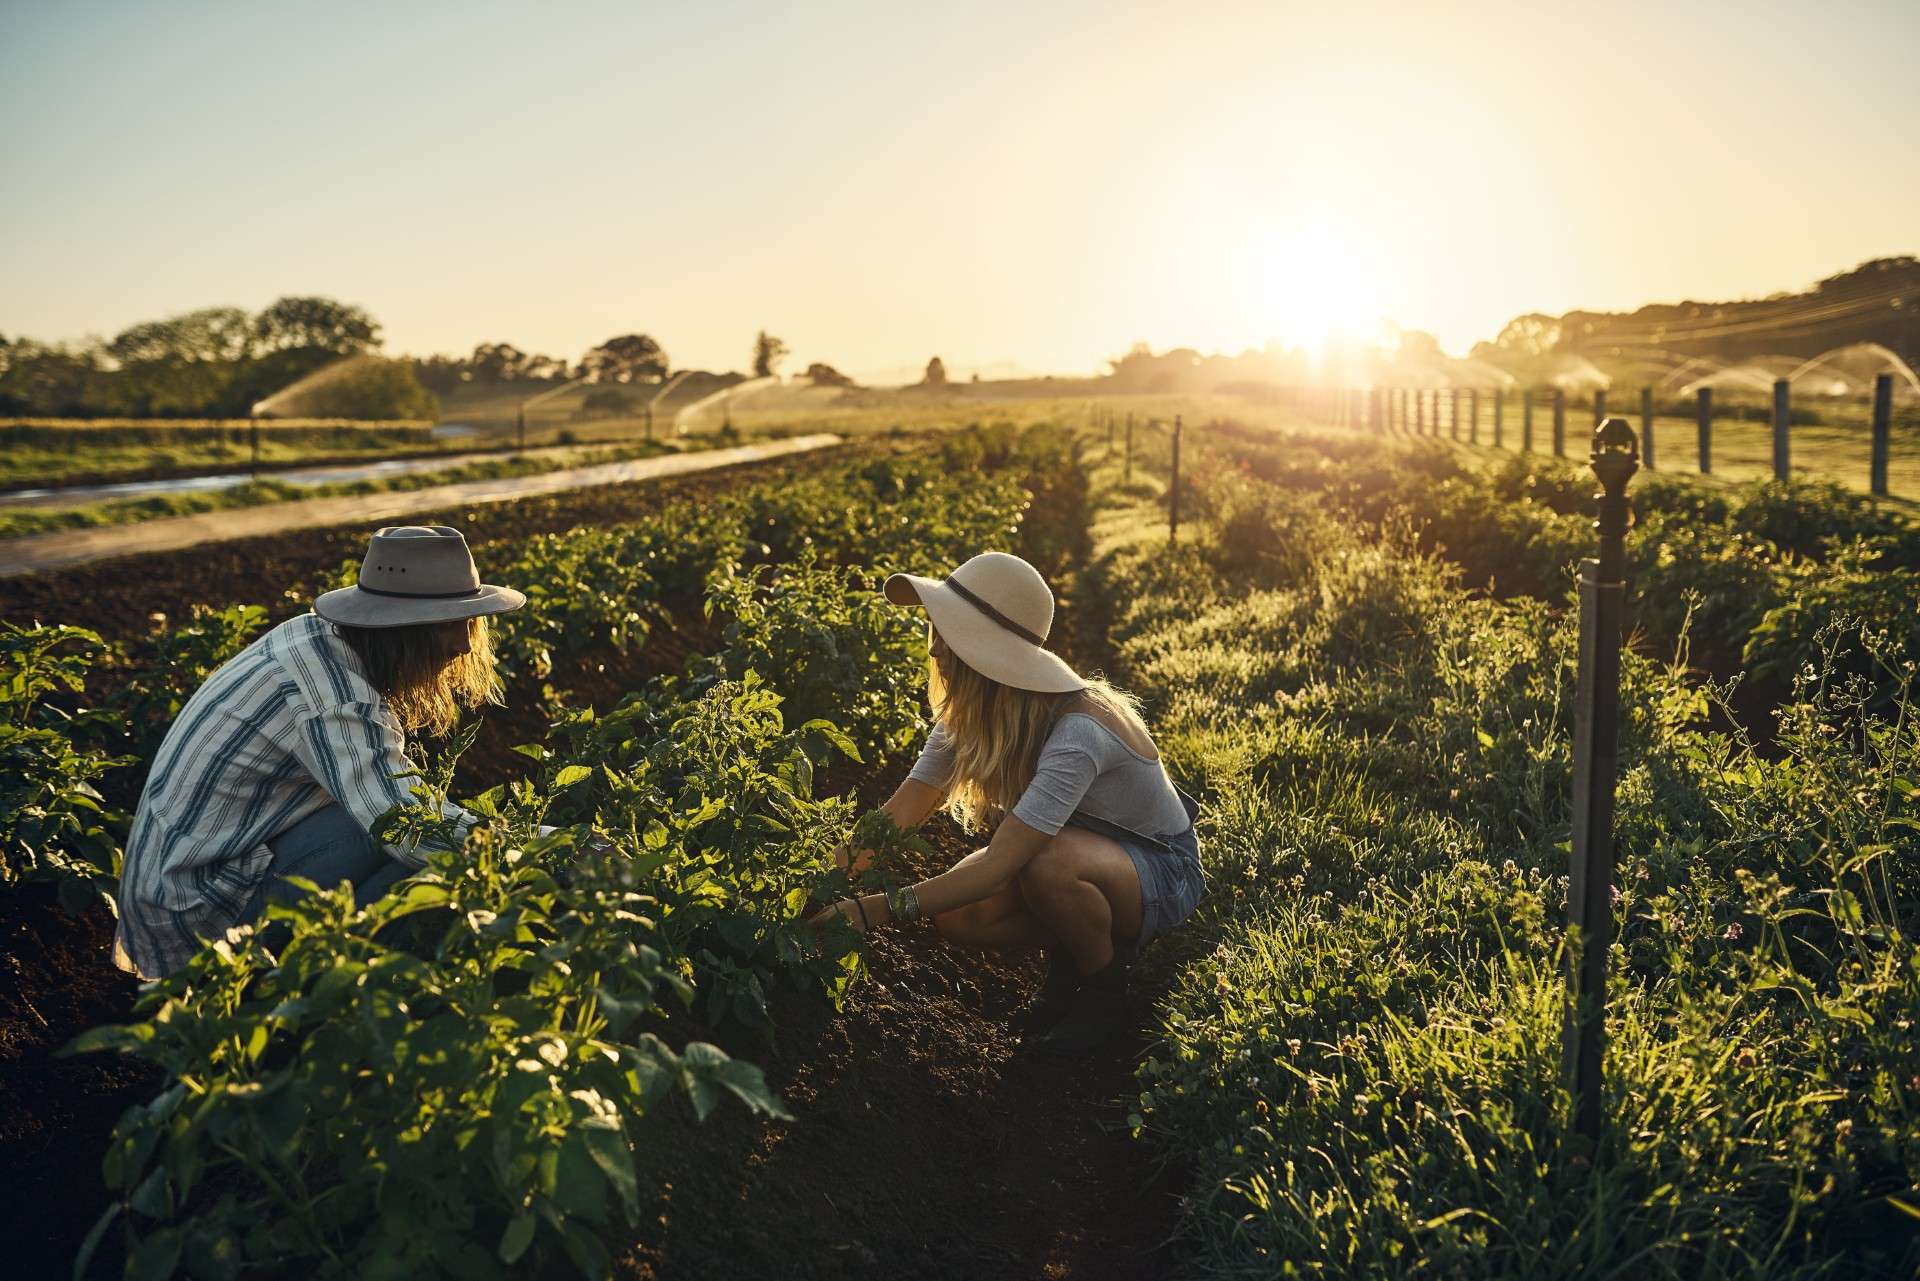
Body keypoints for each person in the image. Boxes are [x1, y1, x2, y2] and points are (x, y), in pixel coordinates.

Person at [808, 551, 1206, 1055]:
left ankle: (1105, 991)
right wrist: (820, 882)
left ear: (982, 650)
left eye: (944, 635)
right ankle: (1077, 947)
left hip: (1160, 870)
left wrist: (872, 912)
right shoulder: (969, 718)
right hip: (1080, 856)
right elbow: (903, 809)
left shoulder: (1078, 730)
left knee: (1044, 863)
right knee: (961, 914)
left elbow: (1001, 865)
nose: (935, 653)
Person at [112, 525, 526, 980]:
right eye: (447, 624)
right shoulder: (334, 697)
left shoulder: (317, 638)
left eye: (468, 622)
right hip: (196, 920)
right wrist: (554, 850)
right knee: (421, 870)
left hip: (184, 884)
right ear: (399, 627)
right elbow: (408, 827)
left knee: (394, 828)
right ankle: (325, 997)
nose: (464, 643)